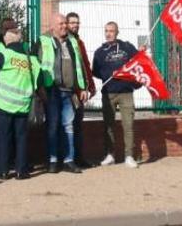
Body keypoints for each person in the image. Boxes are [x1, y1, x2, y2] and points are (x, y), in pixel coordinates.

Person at [35, 13, 87, 174]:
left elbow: (80, 65)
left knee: (68, 126)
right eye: (60, 24)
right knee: (52, 126)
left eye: (65, 23)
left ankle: (69, 160)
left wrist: (83, 87)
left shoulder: (73, 42)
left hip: (69, 91)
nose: (64, 26)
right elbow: (35, 66)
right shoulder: (42, 41)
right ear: (52, 27)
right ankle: (52, 160)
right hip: (51, 91)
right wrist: (40, 88)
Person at [0, 25, 41, 180]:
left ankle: (2, 171)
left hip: (3, 104)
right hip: (23, 105)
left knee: (3, 137)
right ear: (21, 39)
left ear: (5, 40)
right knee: (21, 138)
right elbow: (38, 82)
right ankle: (21, 170)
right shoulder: (31, 60)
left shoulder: (1, 55)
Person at [92, 21, 140, 169]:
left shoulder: (127, 47)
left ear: (117, 32)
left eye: (111, 31)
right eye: (106, 31)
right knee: (108, 126)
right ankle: (110, 155)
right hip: (108, 93)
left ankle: (129, 156)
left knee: (128, 125)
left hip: (126, 92)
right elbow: (96, 71)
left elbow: (138, 62)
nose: (108, 33)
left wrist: (142, 52)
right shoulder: (100, 52)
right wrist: (109, 74)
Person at [65, 12, 96, 169]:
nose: (75, 25)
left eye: (77, 22)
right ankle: (67, 159)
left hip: (80, 91)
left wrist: (90, 84)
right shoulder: (65, 41)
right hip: (70, 90)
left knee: (77, 125)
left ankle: (79, 157)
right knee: (68, 125)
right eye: (72, 22)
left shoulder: (79, 42)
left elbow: (85, 65)